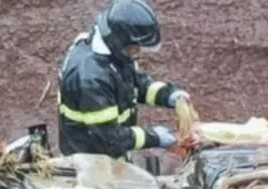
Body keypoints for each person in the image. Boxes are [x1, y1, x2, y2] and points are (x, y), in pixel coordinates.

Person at [56, 0, 191, 159]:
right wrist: (155, 137)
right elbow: (110, 138)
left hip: (110, 155)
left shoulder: (107, 51)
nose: (137, 51)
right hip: (92, 163)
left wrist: (169, 96)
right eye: (133, 47)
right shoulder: (91, 78)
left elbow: (130, 84)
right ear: (119, 40)